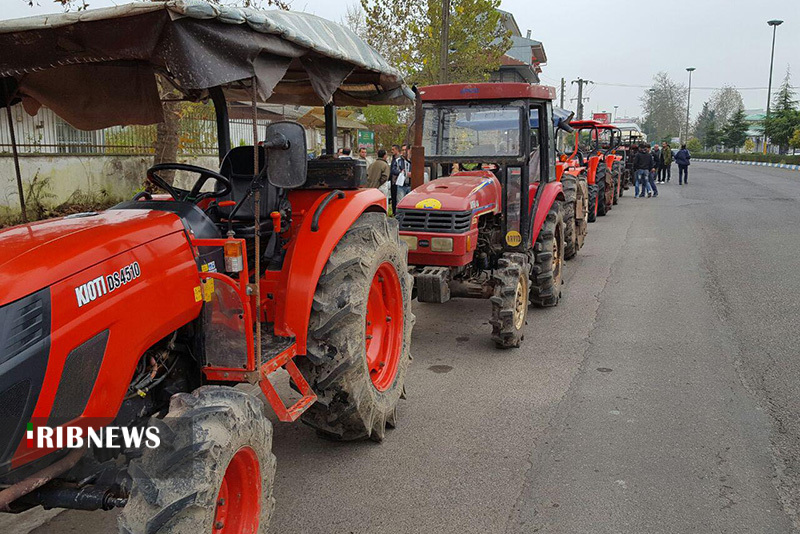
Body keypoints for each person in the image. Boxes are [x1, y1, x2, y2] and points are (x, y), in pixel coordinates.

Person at [389, 144, 408, 212]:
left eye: (393, 149)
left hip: (408, 183)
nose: (392, 151)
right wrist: (400, 172)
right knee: (397, 200)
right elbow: (392, 170)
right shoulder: (397, 160)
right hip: (398, 182)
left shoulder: (410, 160)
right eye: (402, 150)